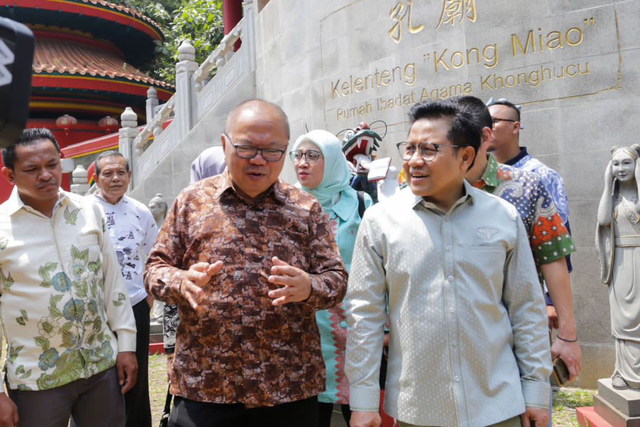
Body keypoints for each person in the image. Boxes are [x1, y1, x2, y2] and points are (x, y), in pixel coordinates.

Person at [345, 100, 551, 427]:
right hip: (419, 410)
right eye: (409, 148)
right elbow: (364, 314)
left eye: (429, 149)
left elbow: (526, 308)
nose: (414, 160)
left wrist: (537, 392)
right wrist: (365, 401)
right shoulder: (380, 221)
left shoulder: (502, 217)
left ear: (465, 156)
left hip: (499, 406)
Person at [145, 99, 348, 427]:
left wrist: (309, 286)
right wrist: (180, 281)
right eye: (246, 148)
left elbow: (337, 279)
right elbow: (154, 268)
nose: (259, 160)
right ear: (225, 145)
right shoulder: (191, 203)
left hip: (288, 386)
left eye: (273, 151)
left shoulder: (305, 209)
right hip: (206, 385)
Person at [0, 128, 137, 427]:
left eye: (52, 164)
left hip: (101, 366)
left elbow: (111, 281)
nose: (46, 175)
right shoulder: (1, 228)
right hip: (37, 378)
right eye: (32, 169)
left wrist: (126, 343)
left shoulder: (89, 210)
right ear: (10, 175)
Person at [458, 96, 582, 380]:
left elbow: (554, 251)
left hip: (519, 328)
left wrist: (561, 319)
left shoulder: (532, 180)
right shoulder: (433, 188)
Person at [291, 129, 373, 427]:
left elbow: (379, 267)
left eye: (314, 156)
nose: (303, 163)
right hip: (306, 325)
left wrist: (386, 321)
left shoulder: (362, 204)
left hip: (354, 321)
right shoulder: (286, 205)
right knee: (310, 411)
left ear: (334, 160)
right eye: (298, 155)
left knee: (360, 409)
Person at [92, 151, 158, 427]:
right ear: (96, 178)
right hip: (95, 309)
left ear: (130, 176)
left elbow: (157, 255)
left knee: (136, 378)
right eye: (107, 173)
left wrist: (149, 298)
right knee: (97, 379)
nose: (115, 178)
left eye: (121, 172)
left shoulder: (140, 211)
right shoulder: (82, 210)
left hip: (134, 305)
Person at [596, 145, 640, 389]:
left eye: (626, 163)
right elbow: (603, 220)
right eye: (616, 164)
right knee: (623, 319)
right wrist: (606, 184)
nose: (621, 169)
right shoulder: (612, 199)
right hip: (620, 262)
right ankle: (623, 371)